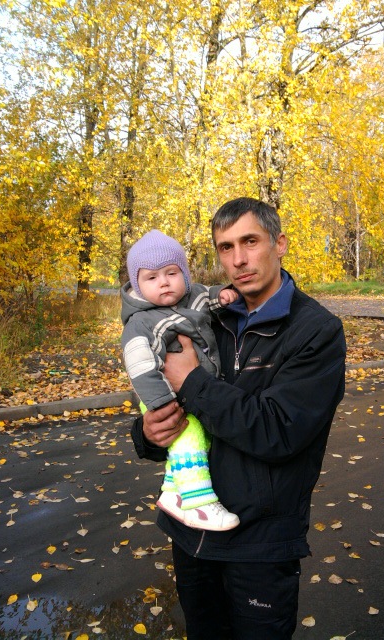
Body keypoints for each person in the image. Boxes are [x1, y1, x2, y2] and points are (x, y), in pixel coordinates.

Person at [131, 198, 346, 639]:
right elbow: (165, 401)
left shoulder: (315, 331)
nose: (239, 260)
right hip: (192, 531)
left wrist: (193, 381)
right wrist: (148, 433)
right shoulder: (202, 316)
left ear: (279, 243)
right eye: (225, 247)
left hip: (260, 543)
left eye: (250, 241)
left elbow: (279, 431)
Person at [121, 229, 240, 531]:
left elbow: (207, 297)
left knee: (202, 437)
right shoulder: (141, 322)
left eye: (171, 273)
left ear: (184, 275)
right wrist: (161, 403)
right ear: (137, 284)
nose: (164, 282)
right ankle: (199, 502)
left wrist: (222, 296)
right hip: (164, 398)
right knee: (189, 438)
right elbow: (140, 365)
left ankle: (174, 492)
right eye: (151, 277)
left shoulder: (192, 296)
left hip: (195, 392)